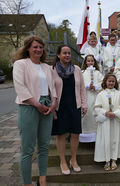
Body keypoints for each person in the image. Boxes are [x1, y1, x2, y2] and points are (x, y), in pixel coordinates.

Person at [13, 35, 56, 186]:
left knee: (44, 146)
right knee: (28, 148)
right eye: (35, 47)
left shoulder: (46, 66)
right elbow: (20, 87)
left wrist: (53, 104)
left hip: (47, 107)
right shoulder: (20, 64)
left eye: (40, 47)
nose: (38, 49)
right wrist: (37, 104)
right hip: (29, 107)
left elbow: (52, 88)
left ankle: (42, 179)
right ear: (28, 49)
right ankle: (27, 183)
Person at [52, 45, 87, 175]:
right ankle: (62, 161)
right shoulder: (52, 70)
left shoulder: (76, 69)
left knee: (75, 134)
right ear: (58, 55)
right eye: (64, 53)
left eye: (68, 53)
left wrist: (84, 104)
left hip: (75, 105)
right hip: (59, 107)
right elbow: (51, 90)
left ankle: (73, 159)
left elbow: (82, 89)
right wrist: (52, 107)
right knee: (61, 134)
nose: (67, 55)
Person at [94, 73, 120, 171]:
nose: (111, 83)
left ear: (115, 82)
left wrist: (115, 113)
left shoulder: (119, 94)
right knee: (106, 140)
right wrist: (105, 112)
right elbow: (97, 107)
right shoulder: (101, 94)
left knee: (115, 139)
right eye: (109, 81)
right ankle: (106, 160)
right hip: (105, 121)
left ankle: (114, 159)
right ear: (105, 82)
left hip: (116, 120)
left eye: (113, 81)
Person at [79, 55, 104, 143]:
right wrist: (87, 86)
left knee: (95, 113)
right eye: (88, 61)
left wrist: (96, 87)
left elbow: (103, 83)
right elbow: (79, 83)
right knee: (87, 114)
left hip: (96, 95)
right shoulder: (82, 72)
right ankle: (85, 135)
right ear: (85, 62)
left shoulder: (98, 73)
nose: (90, 62)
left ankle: (96, 135)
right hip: (86, 95)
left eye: (92, 61)